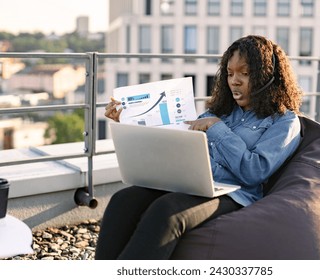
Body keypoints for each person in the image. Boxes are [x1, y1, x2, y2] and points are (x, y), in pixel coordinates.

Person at [95, 35, 303, 260]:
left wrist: (217, 128)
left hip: (235, 193)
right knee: (122, 200)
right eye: (230, 73)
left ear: (268, 76)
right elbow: (177, 134)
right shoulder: (221, 111)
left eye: (245, 73)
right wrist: (127, 118)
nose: (235, 81)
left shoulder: (284, 121)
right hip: (192, 182)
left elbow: (255, 171)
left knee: (167, 211)